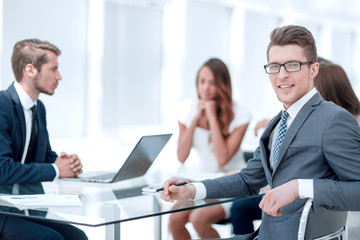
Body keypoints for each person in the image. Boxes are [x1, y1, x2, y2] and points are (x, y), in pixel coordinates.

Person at [161, 25, 360, 240]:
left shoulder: (333, 119)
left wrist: (299, 187)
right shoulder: (277, 124)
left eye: (292, 65)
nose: (281, 75)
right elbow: (248, 180)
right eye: (274, 66)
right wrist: (192, 190)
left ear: (313, 69)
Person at [0, 39, 87, 239]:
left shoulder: (38, 108)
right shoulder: (2, 105)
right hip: (3, 211)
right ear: (30, 70)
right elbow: (2, 169)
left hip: (24, 207)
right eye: (53, 69)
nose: (59, 77)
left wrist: (65, 163)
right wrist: (56, 170)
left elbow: (43, 155)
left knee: (78, 236)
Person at [171, 58, 251, 239]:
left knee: (198, 218)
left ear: (223, 85)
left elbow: (222, 159)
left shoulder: (241, 113)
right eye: (202, 81)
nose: (205, 88)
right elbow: (181, 156)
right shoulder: (188, 110)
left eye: (212, 83)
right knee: (174, 220)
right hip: (200, 182)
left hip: (230, 184)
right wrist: (195, 119)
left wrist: (212, 117)